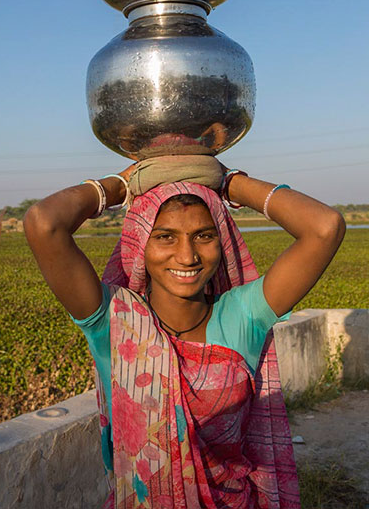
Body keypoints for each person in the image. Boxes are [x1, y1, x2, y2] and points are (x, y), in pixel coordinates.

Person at [24, 157, 345, 509]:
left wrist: (228, 183)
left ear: (221, 243)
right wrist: (120, 186)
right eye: (165, 237)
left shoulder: (242, 315)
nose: (187, 255)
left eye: (203, 236)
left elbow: (325, 227)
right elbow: (44, 224)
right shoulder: (113, 320)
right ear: (140, 246)